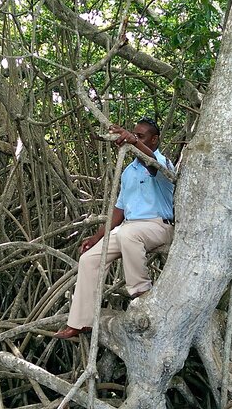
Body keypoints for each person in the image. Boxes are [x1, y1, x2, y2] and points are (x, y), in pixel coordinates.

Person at [55, 118, 175, 339]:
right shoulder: (129, 170)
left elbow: (150, 162)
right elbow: (118, 212)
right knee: (89, 259)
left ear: (154, 139)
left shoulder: (161, 162)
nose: (135, 139)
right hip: (130, 229)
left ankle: (141, 293)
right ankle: (82, 322)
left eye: (141, 136)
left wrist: (134, 142)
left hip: (158, 226)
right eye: (134, 135)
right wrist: (96, 237)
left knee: (129, 234)